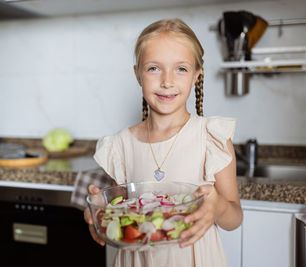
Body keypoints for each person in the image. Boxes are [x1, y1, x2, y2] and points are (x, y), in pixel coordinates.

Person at [84, 18, 243, 267]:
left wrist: (218, 207)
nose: (167, 81)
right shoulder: (121, 145)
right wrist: (102, 213)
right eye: (154, 68)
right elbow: (122, 209)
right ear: (137, 74)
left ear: (196, 76)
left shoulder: (211, 137)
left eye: (181, 69)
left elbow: (234, 218)